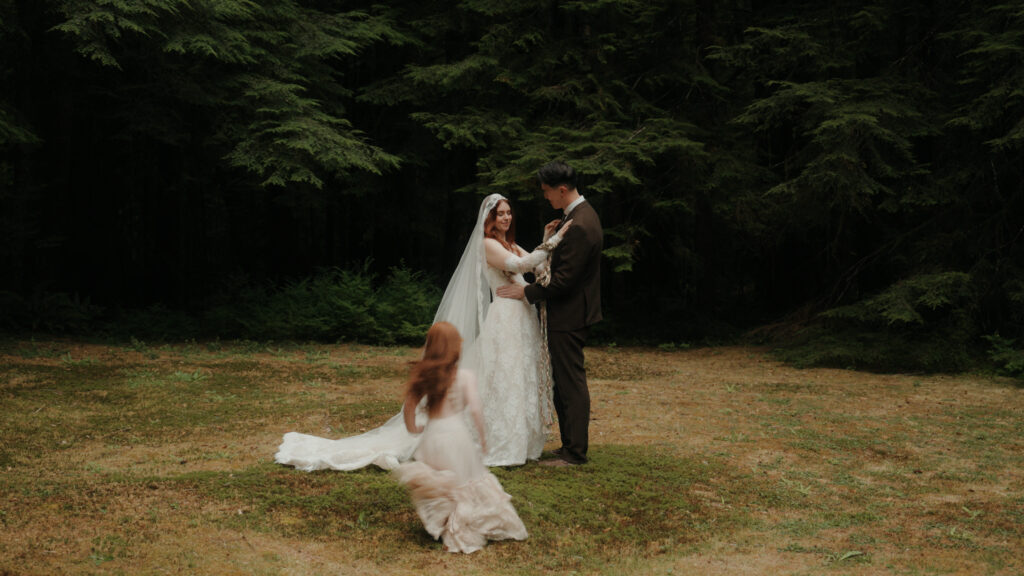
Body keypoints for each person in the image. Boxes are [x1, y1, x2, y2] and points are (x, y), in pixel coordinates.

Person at [274, 193, 569, 471]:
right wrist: (557, 239)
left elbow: (537, 267)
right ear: (488, 219)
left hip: (521, 316)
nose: (505, 218)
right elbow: (521, 265)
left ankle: (519, 442)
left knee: (517, 376)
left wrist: (544, 241)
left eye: (508, 213)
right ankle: (494, 442)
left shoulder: (511, 243)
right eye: (499, 214)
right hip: (504, 316)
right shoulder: (488, 244)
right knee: (502, 376)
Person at [496, 161, 602, 467]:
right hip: (568, 312)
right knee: (563, 380)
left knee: (570, 383)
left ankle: (575, 453)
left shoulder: (581, 224)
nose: (546, 198)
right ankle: (569, 445)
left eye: (547, 192)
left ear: (562, 190)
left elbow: (564, 280)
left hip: (571, 314)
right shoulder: (578, 217)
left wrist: (526, 293)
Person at [392, 321, 528, 553]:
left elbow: (409, 406)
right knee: (464, 480)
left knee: (442, 482)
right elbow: (475, 409)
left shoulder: (424, 375)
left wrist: (413, 428)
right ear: (457, 347)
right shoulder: (465, 376)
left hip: (433, 436)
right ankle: (461, 529)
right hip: (457, 436)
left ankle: (445, 522)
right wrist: (483, 438)